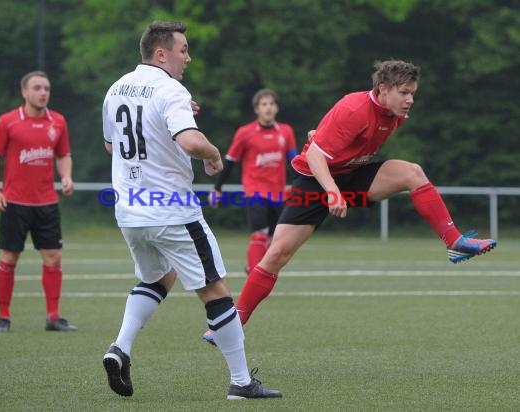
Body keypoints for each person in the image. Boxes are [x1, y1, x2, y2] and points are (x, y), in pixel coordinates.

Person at [203, 59, 497, 343]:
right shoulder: (354, 108)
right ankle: (232, 323)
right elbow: (316, 156)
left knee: (413, 173)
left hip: (352, 174)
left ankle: (454, 240)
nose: (410, 100)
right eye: (404, 92)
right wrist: (331, 191)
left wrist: (324, 142)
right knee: (276, 254)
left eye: (412, 93)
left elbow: (339, 142)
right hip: (315, 180)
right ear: (383, 89)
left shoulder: (397, 114)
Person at [101, 21, 281, 400]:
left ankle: (120, 348)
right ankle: (242, 381)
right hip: (171, 210)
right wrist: (214, 155)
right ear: (161, 53)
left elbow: (111, 146)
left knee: (158, 278)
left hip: (131, 210)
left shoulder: (116, 88)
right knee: (216, 289)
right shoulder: (171, 90)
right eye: (183, 49)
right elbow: (190, 141)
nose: (188, 57)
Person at [0, 71, 77, 333]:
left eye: (46, 88)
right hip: (14, 202)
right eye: (37, 88)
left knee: (53, 257)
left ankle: (53, 317)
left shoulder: (57, 121)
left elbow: (64, 154)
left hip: (47, 202)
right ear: (25, 92)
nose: (43, 92)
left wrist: (66, 176)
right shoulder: (8, 121)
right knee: (10, 257)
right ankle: (3, 317)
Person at [208, 89, 297, 274]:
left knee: (274, 238)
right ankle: (256, 275)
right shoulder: (245, 133)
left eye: (271, 104)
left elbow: (293, 161)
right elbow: (231, 162)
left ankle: (254, 268)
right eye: (264, 104)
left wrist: (302, 183)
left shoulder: (286, 132)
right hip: (254, 191)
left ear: (277, 108)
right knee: (259, 234)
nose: (268, 108)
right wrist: (217, 188)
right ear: (257, 109)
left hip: (278, 193)